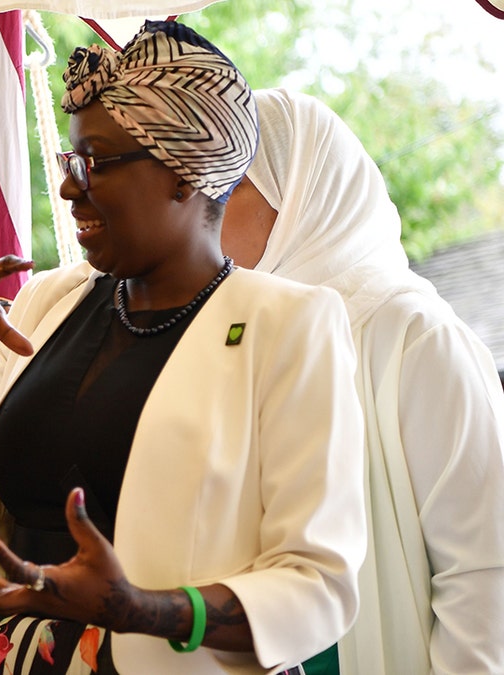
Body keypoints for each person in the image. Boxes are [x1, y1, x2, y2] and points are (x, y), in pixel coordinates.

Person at [0, 21, 367, 675]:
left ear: (184, 172)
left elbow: (320, 585)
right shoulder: (45, 303)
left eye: (99, 163)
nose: (68, 186)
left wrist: (143, 607)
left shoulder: (288, 324)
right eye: (70, 160)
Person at [220, 87, 504, 675]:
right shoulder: (232, 339)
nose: (205, 207)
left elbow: (484, 575)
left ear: (302, 197)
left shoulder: (413, 337)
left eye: (232, 185)